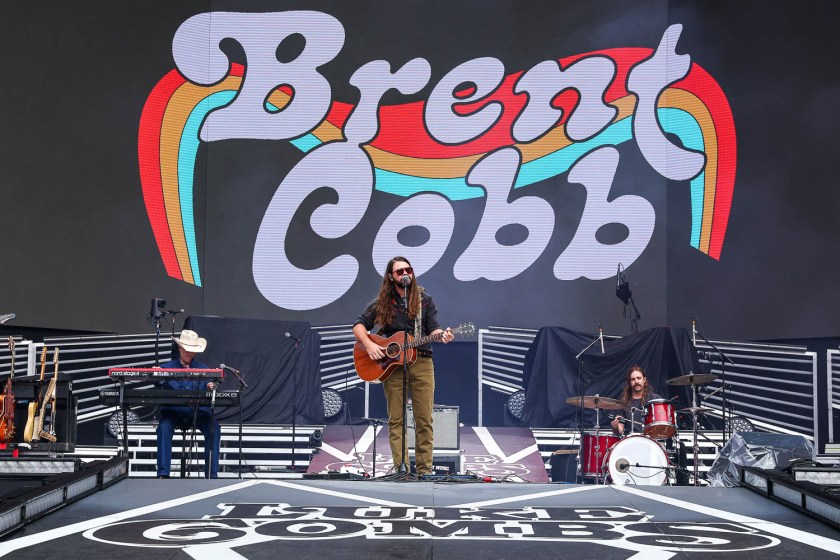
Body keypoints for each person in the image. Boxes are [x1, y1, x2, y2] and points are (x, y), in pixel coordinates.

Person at [353, 256, 453, 476]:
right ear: (391, 277)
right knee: (396, 418)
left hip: (423, 362)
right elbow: (359, 325)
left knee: (424, 418)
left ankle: (425, 470)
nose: (405, 274)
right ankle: (401, 468)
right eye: (400, 271)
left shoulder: (424, 300)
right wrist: (369, 345)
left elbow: (433, 328)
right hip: (393, 366)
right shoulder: (383, 302)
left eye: (409, 269)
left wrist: (441, 335)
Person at [156, 329, 221, 478]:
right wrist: (156, 375)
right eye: (186, 350)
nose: (189, 354)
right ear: (179, 348)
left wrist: (212, 385)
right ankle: (163, 474)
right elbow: (158, 386)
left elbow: (212, 383)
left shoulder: (204, 368)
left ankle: (211, 475)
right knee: (164, 427)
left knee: (214, 427)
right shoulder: (166, 368)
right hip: (174, 412)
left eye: (192, 351)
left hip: (198, 413)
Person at [610, 365, 661, 437]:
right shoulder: (623, 402)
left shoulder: (655, 399)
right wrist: (615, 428)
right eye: (633, 379)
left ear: (644, 379)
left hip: (651, 440)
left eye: (638, 378)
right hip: (630, 441)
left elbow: (661, 425)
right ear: (629, 382)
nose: (636, 381)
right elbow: (620, 431)